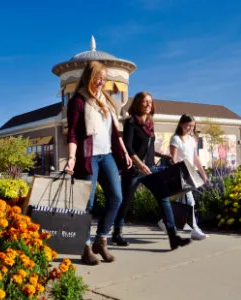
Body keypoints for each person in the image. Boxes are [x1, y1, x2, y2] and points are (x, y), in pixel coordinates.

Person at [65, 61, 132, 266]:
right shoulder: (78, 100)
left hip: (107, 155)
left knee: (116, 197)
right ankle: (85, 246)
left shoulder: (107, 101)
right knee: (88, 203)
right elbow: (73, 133)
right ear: (89, 77)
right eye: (99, 78)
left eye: (104, 79)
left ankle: (101, 239)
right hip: (88, 156)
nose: (102, 82)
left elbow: (115, 131)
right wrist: (71, 158)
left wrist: (125, 152)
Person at [112, 91, 191, 250]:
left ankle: (173, 236)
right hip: (134, 169)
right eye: (145, 102)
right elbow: (128, 147)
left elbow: (147, 148)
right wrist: (139, 164)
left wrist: (161, 154)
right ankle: (117, 233)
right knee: (125, 202)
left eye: (150, 102)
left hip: (151, 169)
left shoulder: (150, 124)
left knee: (164, 198)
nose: (149, 105)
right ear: (138, 103)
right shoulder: (131, 122)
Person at [167, 114, 210, 240]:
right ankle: (194, 229)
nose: (191, 128)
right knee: (190, 201)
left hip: (190, 173)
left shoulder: (192, 140)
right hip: (180, 173)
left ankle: (166, 223)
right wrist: (174, 173)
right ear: (181, 124)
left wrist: (203, 174)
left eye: (192, 125)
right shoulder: (176, 139)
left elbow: (195, 158)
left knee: (181, 203)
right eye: (188, 125)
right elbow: (173, 158)